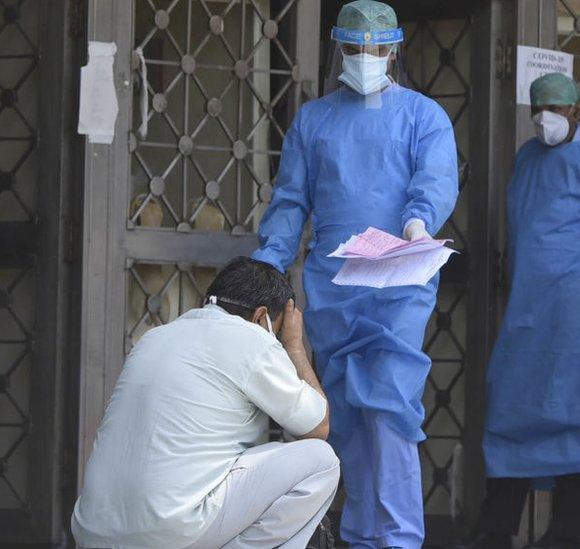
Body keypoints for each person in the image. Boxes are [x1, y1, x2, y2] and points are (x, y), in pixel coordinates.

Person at [251, 1, 459, 546]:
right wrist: (269, 265)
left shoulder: (422, 115)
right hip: (334, 284)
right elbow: (291, 199)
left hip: (399, 280)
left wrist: (419, 219)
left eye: (374, 48)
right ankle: (362, 536)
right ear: (338, 50)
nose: (365, 57)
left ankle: (399, 539)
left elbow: (435, 177)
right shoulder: (313, 119)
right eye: (354, 48)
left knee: (389, 408)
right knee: (343, 413)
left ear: (393, 50)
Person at [453, 72, 580, 549]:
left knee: (579, 419)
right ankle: (496, 530)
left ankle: (567, 534)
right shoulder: (527, 158)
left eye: (555, 109)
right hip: (529, 315)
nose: (545, 119)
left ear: (577, 110)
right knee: (513, 416)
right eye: (537, 110)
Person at [71, 257, 338, 549]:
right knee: (321, 461)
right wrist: (294, 346)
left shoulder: (154, 337)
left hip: (93, 529)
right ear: (262, 316)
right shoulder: (250, 338)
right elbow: (317, 427)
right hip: (169, 530)